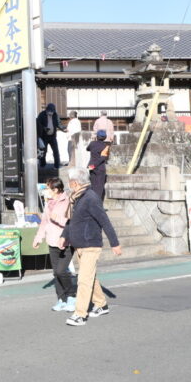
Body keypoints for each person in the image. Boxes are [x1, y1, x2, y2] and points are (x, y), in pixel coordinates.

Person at [62, 167, 121, 326]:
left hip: (90, 244)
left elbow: (104, 220)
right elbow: (72, 221)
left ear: (75, 183)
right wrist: (64, 237)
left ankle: (80, 314)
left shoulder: (90, 198)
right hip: (80, 245)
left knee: (83, 280)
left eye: (69, 181)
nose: (68, 184)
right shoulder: (77, 198)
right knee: (90, 277)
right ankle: (101, 304)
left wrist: (114, 243)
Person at [32, 177, 76, 312]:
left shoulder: (67, 201)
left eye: (48, 188)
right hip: (51, 241)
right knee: (56, 273)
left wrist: (59, 219)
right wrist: (38, 238)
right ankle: (61, 299)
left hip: (65, 242)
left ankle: (72, 296)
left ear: (55, 189)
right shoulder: (48, 203)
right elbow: (44, 221)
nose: (46, 191)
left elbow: (72, 222)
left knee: (61, 271)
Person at [86, 130, 111, 201]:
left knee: (93, 185)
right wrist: (95, 165)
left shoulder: (92, 143)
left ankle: (92, 202)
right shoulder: (105, 146)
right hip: (100, 168)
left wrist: (94, 140)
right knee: (99, 187)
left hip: (91, 167)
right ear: (105, 137)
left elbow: (87, 149)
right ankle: (97, 203)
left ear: (97, 136)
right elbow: (103, 158)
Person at [36, 103, 62, 168]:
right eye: (50, 111)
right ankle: (42, 165)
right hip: (44, 136)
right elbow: (38, 124)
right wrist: (44, 128)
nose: (51, 112)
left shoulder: (55, 115)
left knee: (55, 151)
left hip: (52, 136)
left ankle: (56, 165)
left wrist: (63, 129)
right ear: (47, 110)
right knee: (43, 151)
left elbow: (59, 124)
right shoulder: (42, 114)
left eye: (52, 111)